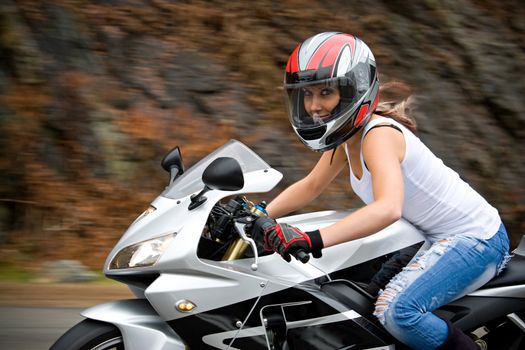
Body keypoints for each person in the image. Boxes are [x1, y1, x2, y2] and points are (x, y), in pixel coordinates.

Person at [251, 32, 510, 350]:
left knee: (397, 313)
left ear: (353, 91)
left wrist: (311, 239)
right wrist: (257, 214)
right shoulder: (347, 139)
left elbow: (388, 208)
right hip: (429, 238)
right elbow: (310, 186)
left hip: (476, 239)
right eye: (307, 94)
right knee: (359, 313)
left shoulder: (378, 136)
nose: (314, 105)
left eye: (326, 92)